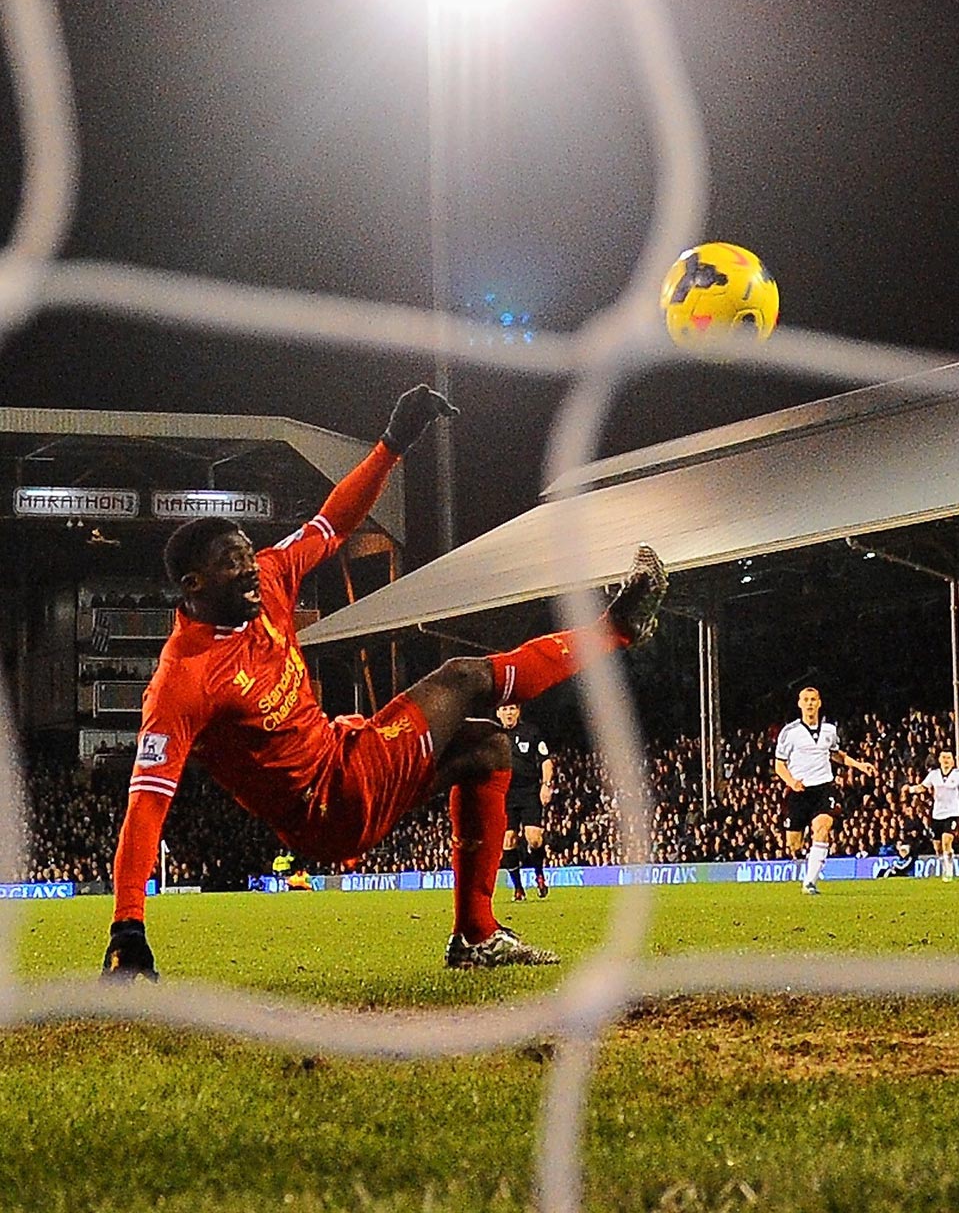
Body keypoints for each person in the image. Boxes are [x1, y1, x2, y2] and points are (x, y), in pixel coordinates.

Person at [101, 385, 670, 979]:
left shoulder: (268, 579)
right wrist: (128, 926)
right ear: (192, 584)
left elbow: (333, 521)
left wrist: (393, 444)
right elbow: (146, 803)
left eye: (247, 554)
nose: (249, 569)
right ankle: (616, 630)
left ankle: (475, 935)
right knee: (464, 677)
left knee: (487, 748)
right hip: (332, 802)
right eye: (230, 563)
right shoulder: (182, 680)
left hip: (347, 758)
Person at [773, 685, 878, 894]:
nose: (810, 703)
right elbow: (779, 764)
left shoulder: (829, 730)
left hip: (824, 789)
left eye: (813, 699)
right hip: (799, 791)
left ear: (819, 703)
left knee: (822, 830)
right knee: (793, 845)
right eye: (806, 700)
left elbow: (836, 754)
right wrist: (791, 782)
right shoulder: (790, 732)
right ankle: (808, 862)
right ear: (799, 704)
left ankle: (809, 882)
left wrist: (859, 765)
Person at [497, 699, 554, 901]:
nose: (509, 713)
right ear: (498, 713)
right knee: (508, 840)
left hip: (529, 791)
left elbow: (546, 761)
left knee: (534, 838)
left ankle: (539, 874)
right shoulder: (493, 736)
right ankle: (518, 888)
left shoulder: (531, 732)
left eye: (512, 708)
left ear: (518, 711)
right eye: (504, 709)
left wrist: (546, 785)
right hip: (504, 794)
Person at [905, 747, 959, 882]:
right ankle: (944, 863)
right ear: (939, 760)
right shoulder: (934, 775)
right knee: (938, 847)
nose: (946, 760)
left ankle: (948, 870)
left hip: (953, 813)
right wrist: (911, 789)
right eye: (944, 758)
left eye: (949, 758)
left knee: (946, 840)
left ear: (953, 761)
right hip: (937, 814)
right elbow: (923, 787)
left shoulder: (958, 775)